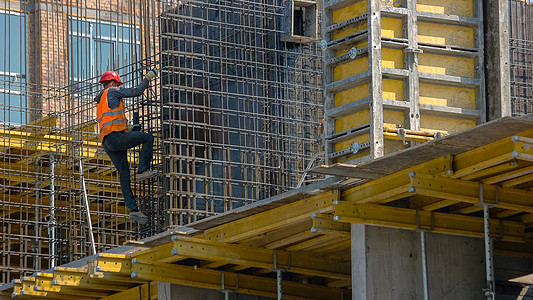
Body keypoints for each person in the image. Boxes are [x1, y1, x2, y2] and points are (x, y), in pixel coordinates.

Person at [94, 70, 158, 225]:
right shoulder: (112, 91)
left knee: (124, 174)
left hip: (108, 142)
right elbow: (136, 91)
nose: (119, 86)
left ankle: (134, 210)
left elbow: (114, 121)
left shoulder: (100, 100)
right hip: (116, 138)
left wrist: (132, 130)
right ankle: (142, 170)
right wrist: (147, 78)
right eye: (117, 83)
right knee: (148, 138)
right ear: (111, 83)